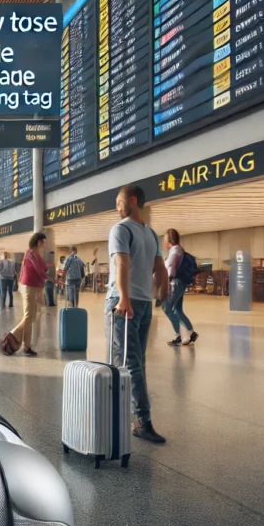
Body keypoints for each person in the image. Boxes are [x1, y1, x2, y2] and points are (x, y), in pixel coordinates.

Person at [106, 184, 169, 444]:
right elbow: (160, 267)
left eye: (119, 202)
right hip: (143, 303)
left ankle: (142, 420)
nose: (117, 207)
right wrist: (164, 288)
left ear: (132, 201)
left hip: (125, 303)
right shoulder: (152, 234)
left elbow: (122, 262)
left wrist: (123, 297)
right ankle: (127, 413)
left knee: (127, 361)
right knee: (137, 361)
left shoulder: (120, 229)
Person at [4, 233, 50, 357]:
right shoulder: (31, 253)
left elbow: (42, 267)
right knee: (29, 316)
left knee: (31, 317)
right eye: (43, 242)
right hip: (29, 287)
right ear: (38, 241)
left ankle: (27, 346)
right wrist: (49, 276)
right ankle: (11, 337)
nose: (44, 244)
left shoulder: (34, 254)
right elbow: (39, 269)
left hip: (32, 287)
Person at [163, 229, 197, 346]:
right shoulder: (178, 249)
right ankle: (191, 332)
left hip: (175, 283)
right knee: (177, 309)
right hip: (180, 282)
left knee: (166, 307)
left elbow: (171, 268)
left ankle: (178, 335)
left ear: (169, 240)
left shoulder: (175, 251)